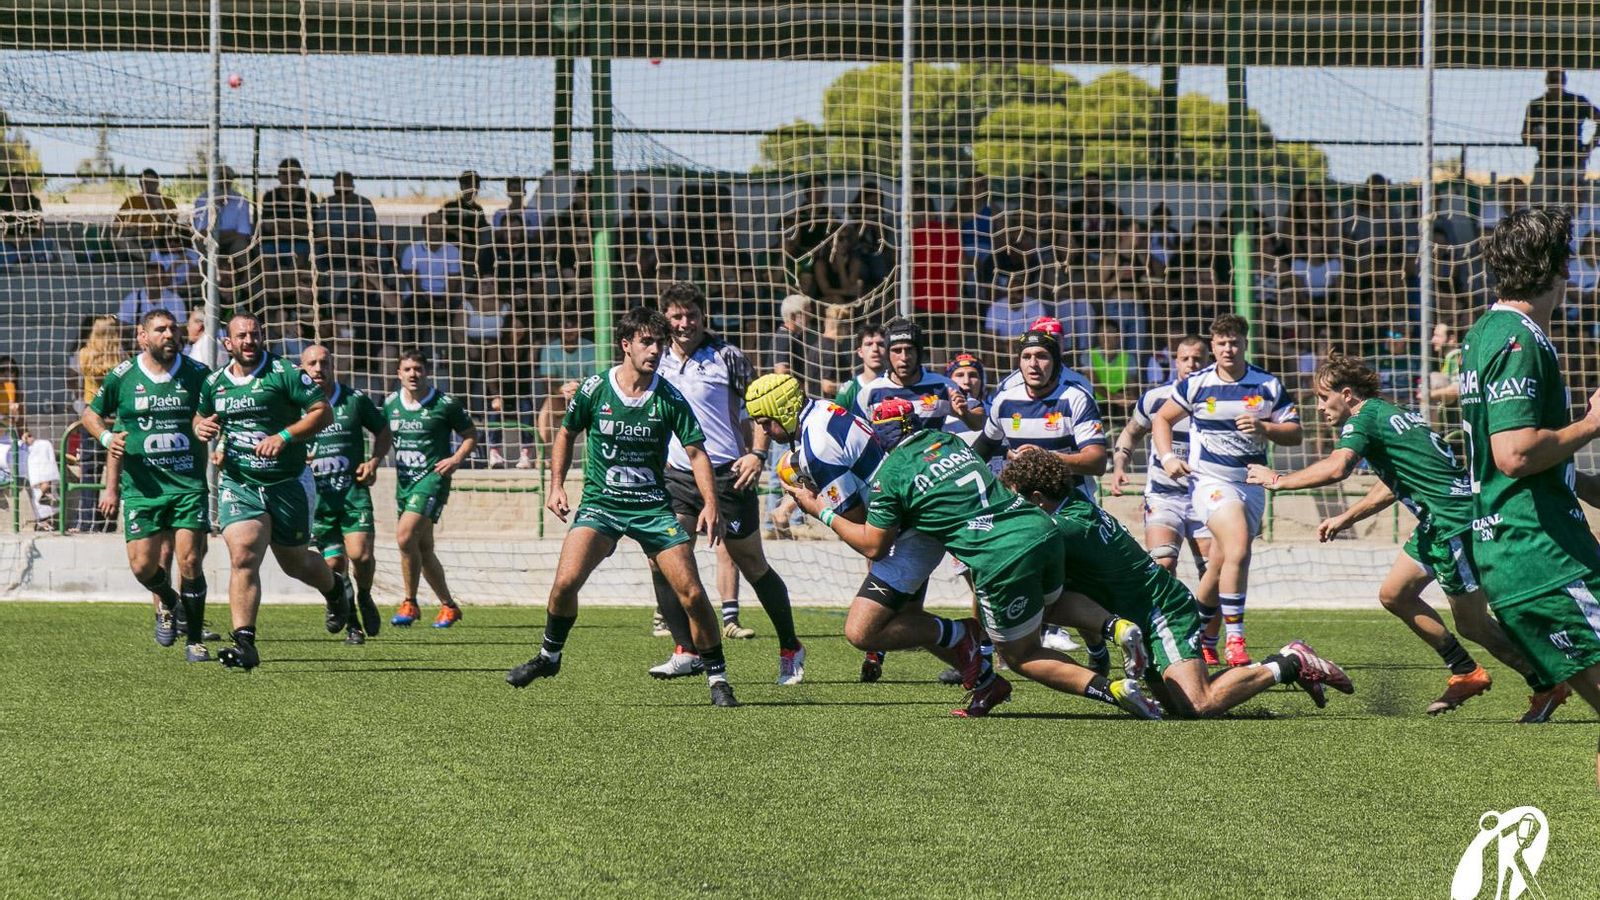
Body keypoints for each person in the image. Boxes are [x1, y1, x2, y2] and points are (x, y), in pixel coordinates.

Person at [787, 396, 1162, 719]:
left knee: (1021, 654)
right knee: (1048, 605)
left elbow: (873, 546)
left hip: (999, 556)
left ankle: (1112, 690)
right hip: (1040, 529)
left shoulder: (893, 475)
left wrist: (820, 509)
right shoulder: (951, 441)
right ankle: (1116, 627)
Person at [1246, 354, 1563, 720]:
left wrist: (1279, 480)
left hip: (1452, 524)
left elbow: (1338, 468)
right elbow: (1393, 483)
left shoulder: (1363, 418)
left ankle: (1545, 683)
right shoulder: (1391, 414)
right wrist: (1348, 516)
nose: (1319, 408)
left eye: (1322, 398)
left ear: (1346, 395)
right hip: (1438, 523)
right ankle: (1465, 671)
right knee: (1395, 594)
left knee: (1473, 623)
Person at [1002, 448, 1352, 717]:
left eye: (1015, 498)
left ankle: (1292, 661)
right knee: (1178, 706)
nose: (1011, 507)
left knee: (1199, 704)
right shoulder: (1072, 504)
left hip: (1159, 609)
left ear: (1037, 500)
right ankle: (1279, 666)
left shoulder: (1063, 529)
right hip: (1142, 611)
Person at [506, 307, 739, 708]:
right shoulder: (596, 388)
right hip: (601, 504)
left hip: (652, 507)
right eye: (647, 342)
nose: (655, 350)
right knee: (565, 583)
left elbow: (697, 453)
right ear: (626, 345)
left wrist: (711, 504)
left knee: (693, 593)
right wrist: (557, 485)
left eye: (660, 343)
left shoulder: (669, 397)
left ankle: (717, 677)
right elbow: (566, 433)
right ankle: (549, 656)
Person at [1458, 206, 1600, 780]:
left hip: (1516, 551)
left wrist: (1586, 484)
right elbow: (1514, 453)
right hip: (1543, 554)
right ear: (1557, 267)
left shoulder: (1485, 332)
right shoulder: (1520, 340)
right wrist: (1593, 422)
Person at [746, 372, 993, 692]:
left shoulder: (817, 447)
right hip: (913, 517)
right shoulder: (823, 409)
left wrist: (815, 508)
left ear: (782, 410)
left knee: (862, 632)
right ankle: (986, 680)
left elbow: (867, 537)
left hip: (907, 535)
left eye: (765, 421)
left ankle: (965, 633)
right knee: (908, 620)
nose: (763, 430)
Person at [645, 283, 804, 683]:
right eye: (677, 316)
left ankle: (790, 645)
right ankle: (686, 650)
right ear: (666, 318)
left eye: (691, 315)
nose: (685, 323)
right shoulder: (656, 357)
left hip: (728, 475)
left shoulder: (727, 356)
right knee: (662, 558)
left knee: (751, 563)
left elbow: (758, 410)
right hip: (677, 475)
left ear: (704, 316)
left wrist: (757, 454)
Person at [193, 313, 355, 670]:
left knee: (295, 563)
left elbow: (322, 413)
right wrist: (202, 427)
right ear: (228, 343)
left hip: (288, 482)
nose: (249, 341)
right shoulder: (215, 382)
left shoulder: (283, 373)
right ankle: (245, 642)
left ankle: (335, 588)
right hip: (240, 483)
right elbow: (202, 416)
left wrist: (284, 436)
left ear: (262, 338)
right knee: (244, 556)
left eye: (255, 335)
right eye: (241, 336)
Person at [1151, 313, 1302, 667]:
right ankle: (1235, 639)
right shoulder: (1197, 383)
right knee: (1238, 547)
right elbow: (1162, 418)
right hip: (1210, 482)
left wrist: (1265, 427)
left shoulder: (1267, 385)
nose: (1228, 349)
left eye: (1234, 342)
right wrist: (1169, 456)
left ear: (1245, 343)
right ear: (1213, 346)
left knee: (1219, 564)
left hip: (1251, 483)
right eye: (1221, 343)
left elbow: (1295, 432)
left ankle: (1202, 637)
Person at [81, 309, 213, 661]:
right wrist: (107, 437)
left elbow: (217, 411)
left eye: (173, 329)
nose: (169, 335)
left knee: (189, 561)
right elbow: (90, 415)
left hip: (187, 485)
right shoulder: (123, 376)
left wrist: (205, 425)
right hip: (143, 488)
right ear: (143, 337)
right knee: (142, 567)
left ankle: (195, 640)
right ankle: (171, 602)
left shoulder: (199, 374)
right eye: (160, 330)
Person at [302, 345, 391, 644]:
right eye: (311, 363)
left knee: (361, 555)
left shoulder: (353, 400)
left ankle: (364, 595)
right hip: (319, 501)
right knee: (334, 565)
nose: (318, 369)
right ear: (302, 368)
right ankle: (352, 621)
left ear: (332, 366)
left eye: (323, 363)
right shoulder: (295, 404)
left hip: (352, 494)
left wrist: (374, 461)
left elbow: (384, 431)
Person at [384, 350, 477, 629]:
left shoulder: (444, 403)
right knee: (422, 548)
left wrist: (456, 458)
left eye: (418, 369)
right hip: (404, 483)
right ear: (398, 374)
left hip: (432, 480)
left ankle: (409, 602)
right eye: (407, 369)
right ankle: (448, 606)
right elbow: (380, 435)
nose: (413, 374)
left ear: (427, 372)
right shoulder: (390, 404)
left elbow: (471, 435)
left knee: (404, 537)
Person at [1111, 335, 1212, 579]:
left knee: (1212, 574)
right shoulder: (1155, 398)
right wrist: (1119, 465)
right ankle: (1171, 618)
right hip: (1164, 495)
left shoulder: (1217, 401)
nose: (1191, 364)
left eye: (1198, 359)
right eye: (1185, 358)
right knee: (1162, 564)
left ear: (1209, 362)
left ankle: (1205, 618)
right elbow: (1130, 433)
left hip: (1208, 494)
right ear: (1175, 362)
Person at [1522, 70, 1600, 209]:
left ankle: (1573, 229)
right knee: (1539, 207)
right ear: (1547, 81)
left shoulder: (1577, 101)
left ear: (1564, 81)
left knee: (1572, 206)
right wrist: (1534, 137)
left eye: (1559, 80)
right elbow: (1525, 137)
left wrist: (1590, 145)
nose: (1556, 84)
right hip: (1546, 164)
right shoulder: (1536, 105)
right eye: (1552, 80)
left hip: (1572, 163)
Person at [112, 169, 178, 251]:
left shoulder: (168, 202)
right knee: (118, 240)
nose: (149, 186)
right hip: (134, 239)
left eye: (152, 183)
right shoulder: (132, 201)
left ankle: (148, 256)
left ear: (157, 183)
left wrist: (160, 208)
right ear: (140, 184)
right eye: (146, 183)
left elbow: (172, 228)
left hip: (159, 241)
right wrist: (131, 231)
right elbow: (116, 224)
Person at [832, 323, 886, 413]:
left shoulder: (896, 384)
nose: (875, 349)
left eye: (880, 344)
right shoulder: (849, 390)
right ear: (860, 352)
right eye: (869, 344)